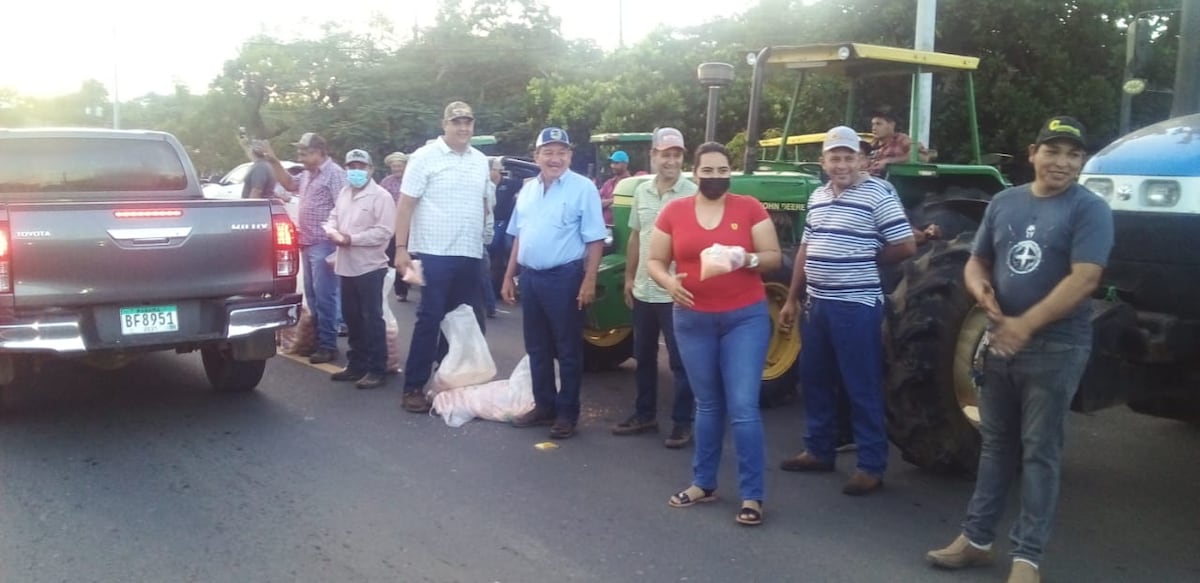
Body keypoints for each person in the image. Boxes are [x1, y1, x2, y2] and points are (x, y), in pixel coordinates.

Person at [926, 116, 1113, 583]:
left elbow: (1086, 278)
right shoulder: (1006, 202)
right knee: (995, 446)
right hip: (1002, 341)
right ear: (1033, 153)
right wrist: (981, 291)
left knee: (1040, 453)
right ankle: (977, 539)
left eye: (1073, 154)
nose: (1063, 162)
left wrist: (1024, 326)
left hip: (1056, 347)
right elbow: (977, 260)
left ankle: (1028, 558)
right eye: (1053, 151)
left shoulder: (1089, 210)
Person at [778, 126, 916, 496]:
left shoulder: (879, 192)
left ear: (861, 160)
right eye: (834, 158)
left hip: (855, 306)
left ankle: (871, 464)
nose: (841, 164)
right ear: (823, 162)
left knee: (861, 383)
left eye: (848, 157)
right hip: (817, 304)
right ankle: (819, 450)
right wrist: (792, 298)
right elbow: (806, 250)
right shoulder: (819, 196)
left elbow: (904, 245)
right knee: (816, 380)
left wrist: (867, 257)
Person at [650, 142, 781, 527]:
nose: (715, 176)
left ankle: (752, 495)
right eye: (707, 171)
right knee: (707, 404)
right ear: (695, 173)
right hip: (692, 319)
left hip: (744, 318)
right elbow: (656, 260)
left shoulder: (749, 207)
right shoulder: (675, 211)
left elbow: (773, 256)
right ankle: (703, 482)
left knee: (742, 406)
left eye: (722, 170)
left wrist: (746, 258)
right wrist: (667, 283)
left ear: (730, 171)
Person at [502, 127, 606, 440]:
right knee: (537, 347)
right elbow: (520, 235)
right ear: (536, 157)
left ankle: (567, 413)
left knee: (568, 348)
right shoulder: (528, 190)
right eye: (548, 152)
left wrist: (589, 280)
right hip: (531, 278)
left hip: (565, 277)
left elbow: (596, 239)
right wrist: (509, 275)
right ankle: (544, 406)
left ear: (570, 156)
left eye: (561, 152)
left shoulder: (583, 188)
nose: (555, 158)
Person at [393, 101, 492, 414]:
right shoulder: (424, 158)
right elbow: (406, 204)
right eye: (456, 122)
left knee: (465, 320)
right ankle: (413, 387)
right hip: (436, 252)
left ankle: (448, 381)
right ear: (444, 124)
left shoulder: (479, 160)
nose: (463, 128)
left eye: (468, 122)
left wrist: (485, 238)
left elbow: (484, 202)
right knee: (430, 318)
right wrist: (400, 248)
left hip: (470, 253)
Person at [611, 128, 697, 449]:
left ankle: (682, 423)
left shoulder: (693, 192)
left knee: (680, 361)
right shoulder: (642, 192)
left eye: (677, 155)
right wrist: (630, 277)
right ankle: (644, 414)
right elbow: (636, 236)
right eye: (666, 154)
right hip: (645, 289)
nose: (671, 160)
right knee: (643, 356)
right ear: (654, 156)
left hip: (676, 291)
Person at [264, 132, 346, 364]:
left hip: (324, 242)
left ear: (320, 152)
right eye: (299, 152)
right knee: (313, 296)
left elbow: (344, 208)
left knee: (325, 296)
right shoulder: (308, 174)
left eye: (305, 152)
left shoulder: (334, 174)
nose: (300, 156)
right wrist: (273, 160)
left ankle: (328, 345)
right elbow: (289, 184)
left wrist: (338, 244)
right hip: (308, 241)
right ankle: (320, 341)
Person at [323, 149, 396, 389]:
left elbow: (384, 231)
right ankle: (357, 364)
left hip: (370, 266)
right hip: (346, 265)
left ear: (371, 169)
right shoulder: (344, 192)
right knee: (352, 317)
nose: (356, 171)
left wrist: (350, 239)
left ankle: (377, 368)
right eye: (351, 167)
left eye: (361, 167)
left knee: (372, 318)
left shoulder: (381, 196)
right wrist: (333, 231)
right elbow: (333, 216)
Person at [380, 152, 412, 301]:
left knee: (412, 256)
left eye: (399, 166)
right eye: (394, 166)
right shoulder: (386, 182)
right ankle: (401, 290)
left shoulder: (412, 180)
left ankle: (411, 281)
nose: (397, 169)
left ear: (405, 166)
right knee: (394, 256)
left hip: (411, 225)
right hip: (392, 225)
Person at [867, 110, 931, 176]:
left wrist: (889, 161)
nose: (874, 128)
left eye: (878, 124)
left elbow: (923, 157)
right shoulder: (871, 144)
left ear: (892, 125)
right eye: (873, 124)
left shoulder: (901, 140)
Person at [597, 150, 630, 225]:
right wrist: (613, 200)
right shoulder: (608, 183)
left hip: (622, 227)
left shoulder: (630, 183)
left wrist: (607, 202)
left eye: (616, 163)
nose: (612, 166)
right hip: (605, 228)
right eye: (612, 163)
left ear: (625, 164)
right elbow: (596, 203)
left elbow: (621, 208)